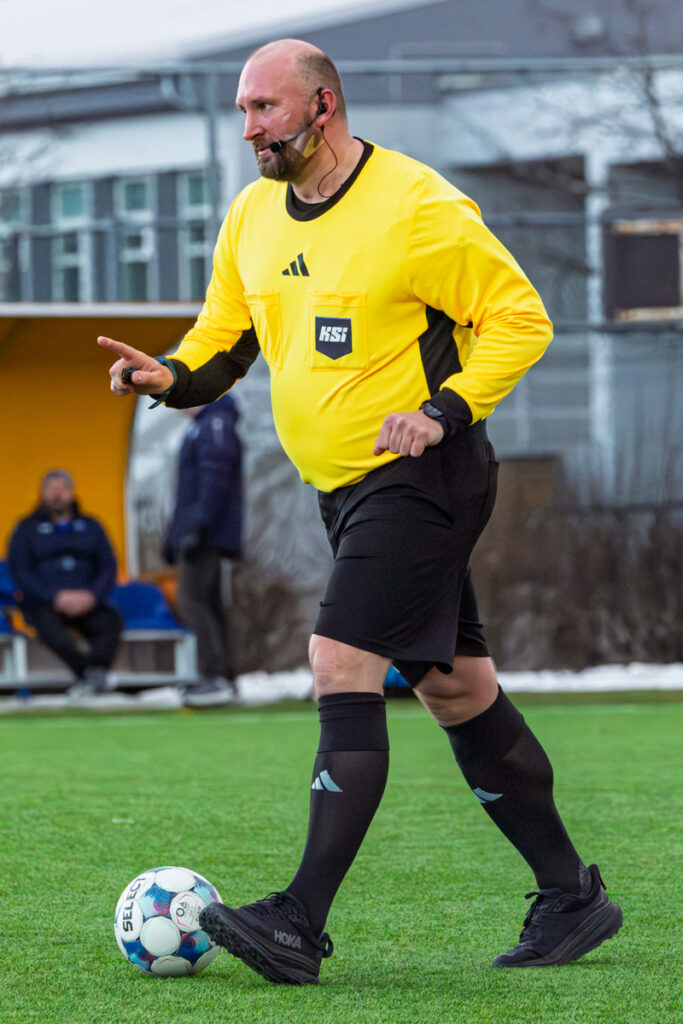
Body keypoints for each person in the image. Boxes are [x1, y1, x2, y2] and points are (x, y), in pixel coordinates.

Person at [97, 39, 622, 983]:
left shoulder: (417, 205)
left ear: (322, 106)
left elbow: (520, 318)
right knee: (456, 689)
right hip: (340, 492)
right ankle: (570, 896)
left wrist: (442, 410)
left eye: (265, 108)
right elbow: (226, 337)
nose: (250, 128)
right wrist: (168, 376)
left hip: (425, 476)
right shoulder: (252, 215)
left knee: (340, 659)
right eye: (243, 110)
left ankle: (298, 920)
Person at [8, 469, 122, 695]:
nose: (57, 494)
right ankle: (91, 675)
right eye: (51, 488)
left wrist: (92, 596)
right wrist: (54, 597)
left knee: (111, 622)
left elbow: (108, 566)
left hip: (88, 602)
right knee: (50, 630)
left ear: (71, 492)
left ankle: (96, 672)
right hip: (44, 604)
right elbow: (20, 570)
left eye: (62, 488)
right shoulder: (25, 529)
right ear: (42, 494)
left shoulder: (92, 526)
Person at [163, 393, 243, 707]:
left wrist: (197, 526)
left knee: (192, 600)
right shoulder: (204, 425)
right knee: (208, 602)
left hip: (207, 534)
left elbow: (216, 477)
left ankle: (215, 676)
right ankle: (223, 676)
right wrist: (174, 537)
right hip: (202, 532)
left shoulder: (214, 423)